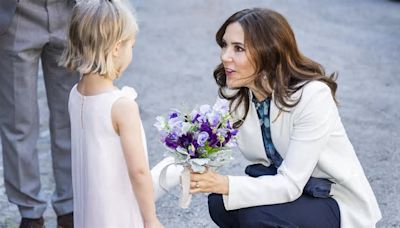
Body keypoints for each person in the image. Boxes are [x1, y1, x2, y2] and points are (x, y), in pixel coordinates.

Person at [189, 8, 382, 228]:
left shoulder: (312, 96)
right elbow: (194, 149)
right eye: (224, 45)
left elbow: (290, 184)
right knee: (220, 203)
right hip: (289, 190)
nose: (225, 56)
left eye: (238, 48)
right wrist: (149, 186)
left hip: (330, 199)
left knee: (255, 214)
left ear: (269, 53)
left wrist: (225, 183)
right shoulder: (235, 93)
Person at [60, 1, 163, 227]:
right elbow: (138, 171)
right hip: (117, 215)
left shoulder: (75, 95)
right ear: (116, 48)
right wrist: (150, 219)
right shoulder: (121, 106)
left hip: (90, 214)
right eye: (131, 46)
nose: (130, 52)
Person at [0, 0, 78, 227]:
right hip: (17, 13)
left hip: (70, 11)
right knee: (18, 120)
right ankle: (30, 211)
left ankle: (70, 205)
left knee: (72, 115)